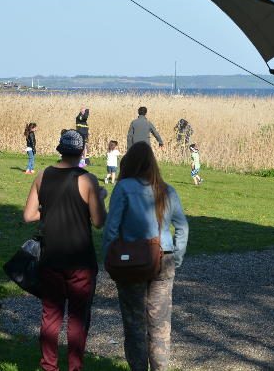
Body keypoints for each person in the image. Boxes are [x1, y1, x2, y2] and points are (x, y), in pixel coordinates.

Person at [23, 130, 107, 371]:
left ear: (60, 149)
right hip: (80, 259)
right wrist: (100, 196)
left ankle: (48, 366)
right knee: (78, 318)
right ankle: (74, 367)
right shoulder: (87, 180)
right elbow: (99, 221)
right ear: (82, 152)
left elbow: (28, 215)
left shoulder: (42, 176)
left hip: (50, 258)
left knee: (51, 315)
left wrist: (50, 209)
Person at [103, 141, 188, 371]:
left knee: (134, 323)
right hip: (165, 259)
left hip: (132, 262)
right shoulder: (167, 190)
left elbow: (111, 229)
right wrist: (176, 258)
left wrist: (109, 259)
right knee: (160, 324)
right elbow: (182, 227)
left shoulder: (124, 188)